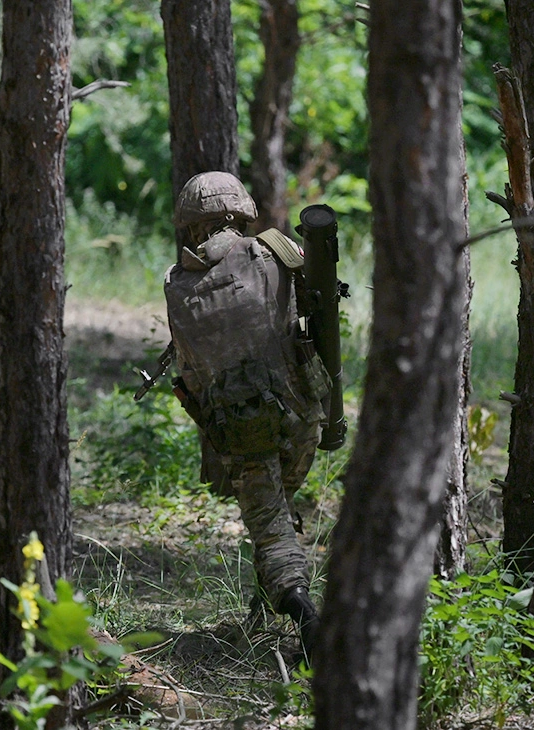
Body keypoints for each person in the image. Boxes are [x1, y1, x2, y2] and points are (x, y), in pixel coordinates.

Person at [163, 171, 329, 659]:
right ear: (240, 212)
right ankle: (274, 603)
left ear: (192, 225)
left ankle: (304, 617)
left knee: (270, 519)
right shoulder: (275, 251)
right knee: (275, 514)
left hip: (240, 428)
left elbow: (192, 374)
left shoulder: (177, 284)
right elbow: (315, 311)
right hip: (301, 412)